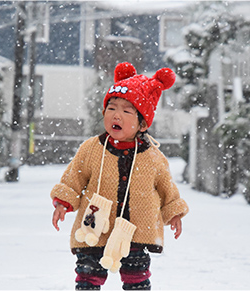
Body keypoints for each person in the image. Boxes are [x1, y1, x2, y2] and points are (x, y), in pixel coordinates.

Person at [51, 62, 189, 290]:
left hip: (137, 229)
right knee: (88, 275)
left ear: (142, 124)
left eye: (127, 111)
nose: (117, 115)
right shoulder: (92, 149)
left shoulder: (153, 157)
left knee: (136, 277)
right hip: (95, 227)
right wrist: (63, 203)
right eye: (112, 108)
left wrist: (174, 213)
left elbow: (167, 188)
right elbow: (73, 178)